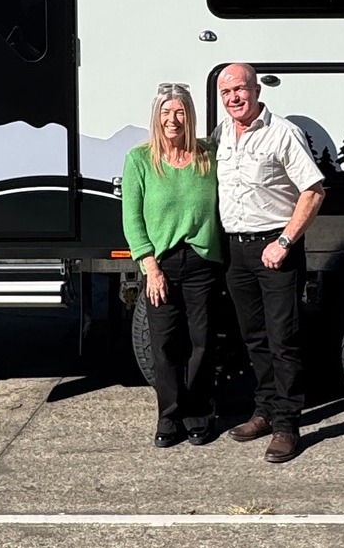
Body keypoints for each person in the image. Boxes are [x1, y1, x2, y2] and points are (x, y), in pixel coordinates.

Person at [215, 63, 326, 464]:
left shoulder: (283, 133)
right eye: (226, 92)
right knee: (254, 336)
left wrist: (284, 241)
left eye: (240, 89)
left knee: (284, 339)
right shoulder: (223, 133)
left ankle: (286, 426)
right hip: (237, 251)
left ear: (257, 90)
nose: (233, 98)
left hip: (274, 248)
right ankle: (262, 412)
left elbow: (313, 192)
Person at [121, 82, 224, 448]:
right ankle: (169, 415)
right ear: (156, 118)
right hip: (160, 265)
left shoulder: (208, 155)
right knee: (164, 345)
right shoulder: (139, 160)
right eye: (166, 112)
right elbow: (132, 218)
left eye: (179, 112)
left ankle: (198, 410)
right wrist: (149, 266)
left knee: (202, 340)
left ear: (190, 116)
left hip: (202, 261)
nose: (173, 119)